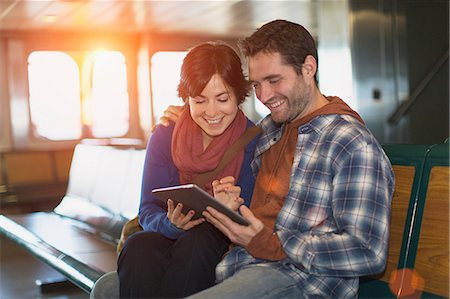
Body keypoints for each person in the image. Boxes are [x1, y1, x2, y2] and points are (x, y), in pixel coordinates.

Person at [182, 20, 395, 298]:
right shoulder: (271, 129)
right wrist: (179, 119)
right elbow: (225, 128)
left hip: (304, 282)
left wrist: (272, 244)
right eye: (257, 84)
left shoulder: (351, 143)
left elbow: (368, 252)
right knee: (112, 287)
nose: (264, 96)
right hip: (241, 268)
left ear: (308, 68)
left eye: (274, 80)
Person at [117, 41, 259, 298]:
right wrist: (171, 224)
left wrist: (231, 210)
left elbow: (253, 214)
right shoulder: (165, 134)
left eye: (222, 99)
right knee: (138, 245)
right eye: (200, 100)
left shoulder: (254, 142)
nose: (212, 112)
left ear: (239, 95)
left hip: (218, 242)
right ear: (186, 99)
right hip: (168, 235)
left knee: (199, 240)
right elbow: (148, 209)